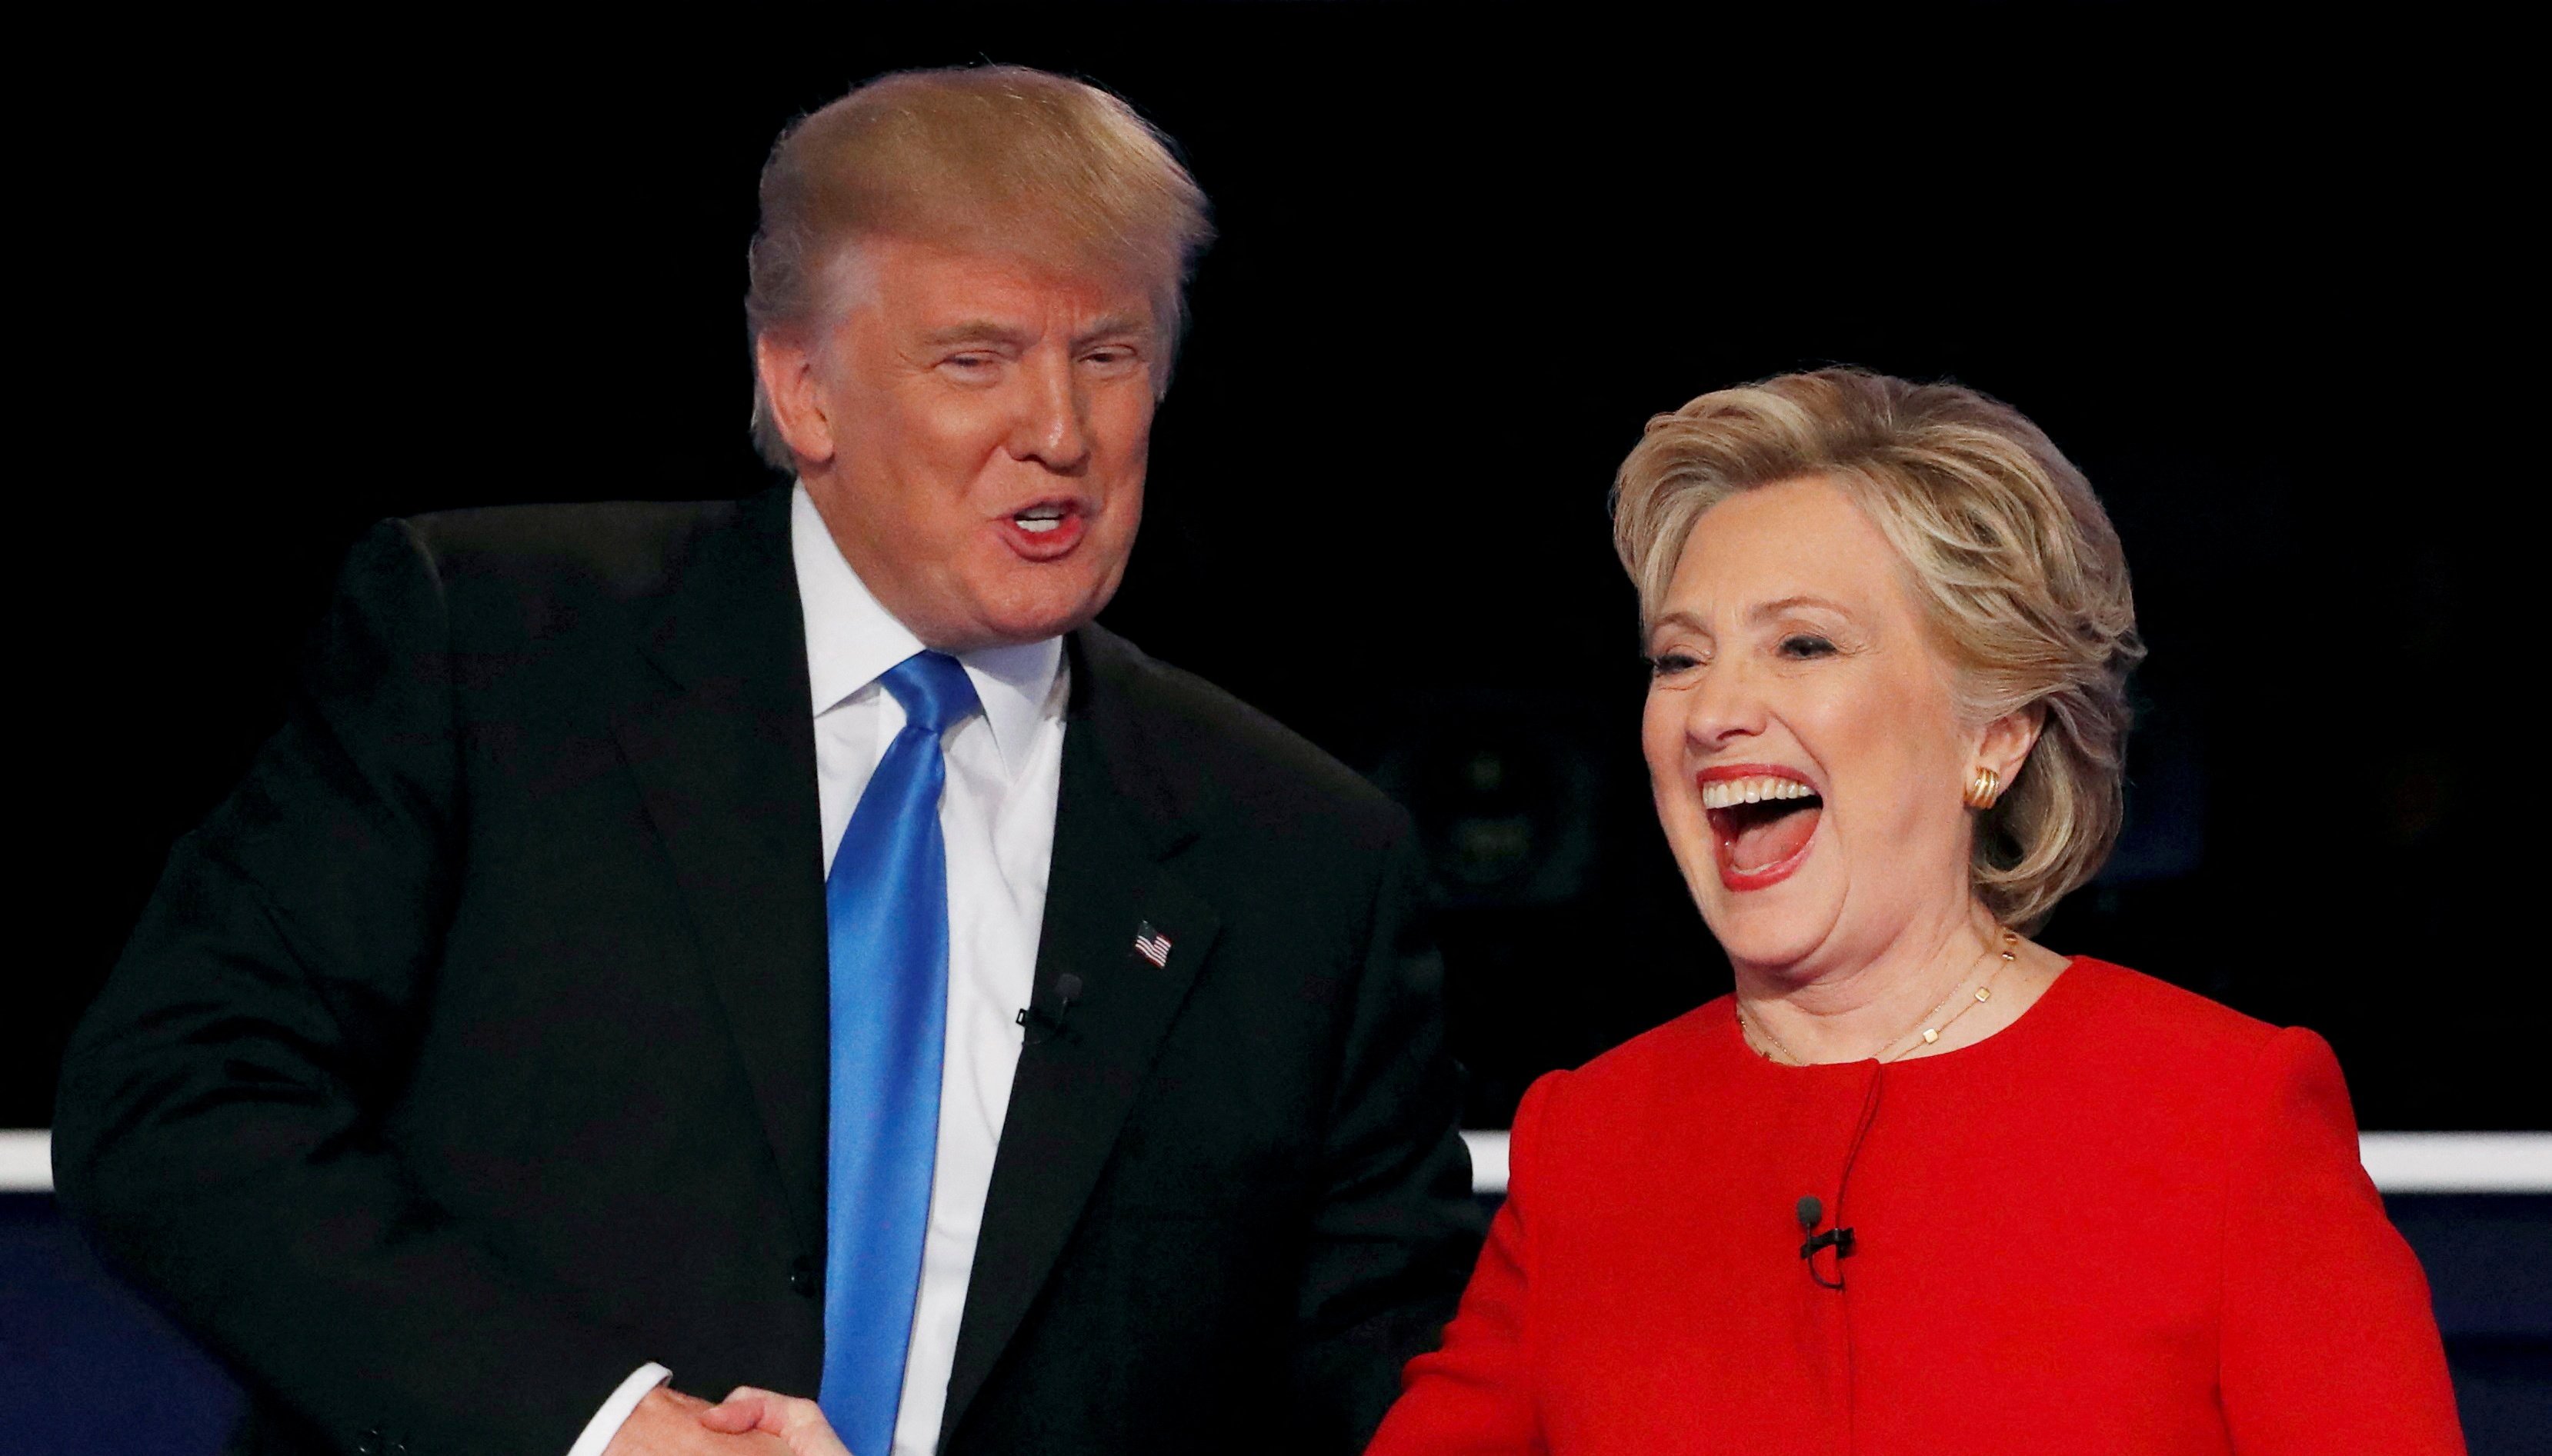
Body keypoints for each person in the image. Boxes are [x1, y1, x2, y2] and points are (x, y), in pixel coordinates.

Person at [53, 66, 1482, 1456]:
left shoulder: (1298, 851)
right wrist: (600, 1427)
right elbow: (182, 1105)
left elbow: (1371, 1365)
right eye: (975, 357)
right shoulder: (494, 652)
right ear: (804, 391)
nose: (1059, 431)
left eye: (1106, 354)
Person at [1366, 368, 2464, 1454]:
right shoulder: (1588, 1140)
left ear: (1993, 735)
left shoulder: (2227, 1117)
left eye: (1803, 644)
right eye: (1678, 658)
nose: (1713, 713)